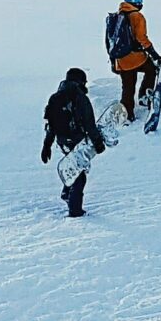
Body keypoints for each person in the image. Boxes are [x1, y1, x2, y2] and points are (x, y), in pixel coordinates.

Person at [40, 67, 107, 217]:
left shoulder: (55, 97)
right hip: (77, 140)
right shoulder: (80, 97)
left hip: (63, 141)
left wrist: (47, 145)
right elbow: (89, 123)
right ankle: (75, 210)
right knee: (79, 176)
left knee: (73, 167)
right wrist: (98, 143)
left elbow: (50, 124)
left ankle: (67, 193)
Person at [105, 0, 159, 124]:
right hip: (135, 57)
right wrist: (154, 54)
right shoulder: (137, 16)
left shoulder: (116, 18)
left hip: (121, 60)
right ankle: (144, 96)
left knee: (128, 87)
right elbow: (141, 38)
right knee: (151, 69)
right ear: (138, 3)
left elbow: (109, 42)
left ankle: (128, 115)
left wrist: (114, 62)